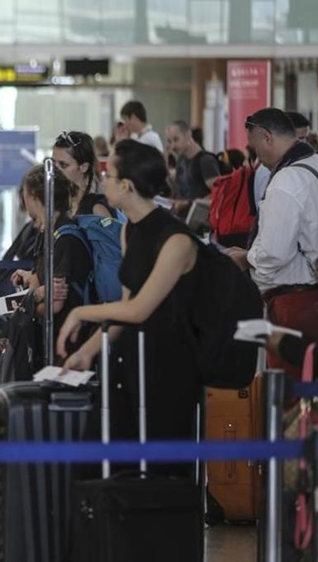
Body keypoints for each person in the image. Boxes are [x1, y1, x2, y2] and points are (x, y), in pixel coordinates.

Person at [58, 139, 201, 476]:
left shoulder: (176, 240)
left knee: (162, 468)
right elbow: (125, 306)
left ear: (126, 185)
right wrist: (89, 351)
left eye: (109, 175)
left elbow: (139, 309)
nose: (102, 180)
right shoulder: (129, 233)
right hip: (133, 359)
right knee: (107, 460)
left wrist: (81, 313)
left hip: (170, 364)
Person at [224, 108, 318, 379]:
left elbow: (274, 253)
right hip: (310, 295)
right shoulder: (313, 164)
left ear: (267, 137)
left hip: (293, 302)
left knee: (293, 392)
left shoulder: (286, 181)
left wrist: (246, 259)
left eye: (255, 149)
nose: (258, 160)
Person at [10, 166, 90, 361]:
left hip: (65, 342)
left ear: (34, 196)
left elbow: (54, 305)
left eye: (25, 194)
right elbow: (39, 285)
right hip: (48, 338)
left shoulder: (63, 239)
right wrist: (34, 288)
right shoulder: (47, 232)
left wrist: (29, 302)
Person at [53, 131, 112, 217]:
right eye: (53, 163)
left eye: (63, 165)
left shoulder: (98, 208)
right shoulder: (55, 201)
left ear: (84, 167)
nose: (55, 170)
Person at [165, 120, 221, 204]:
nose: (172, 146)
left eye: (176, 139)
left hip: (199, 215)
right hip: (182, 215)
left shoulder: (205, 160)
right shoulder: (181, 159)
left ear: (188, 135)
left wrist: (189, 203)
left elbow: (218, 192)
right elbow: (179, 189)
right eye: (169, 142)